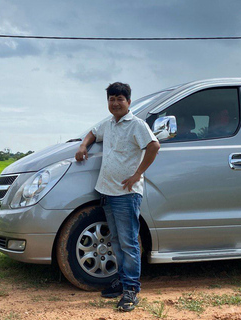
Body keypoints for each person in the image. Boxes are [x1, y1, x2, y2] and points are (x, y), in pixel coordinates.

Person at [75, 82, 160, 312]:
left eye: (120, 99)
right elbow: (93, 132)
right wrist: (83, 146)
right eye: (111, 99)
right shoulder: (109, 124)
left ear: (128, 101)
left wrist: (137, 174)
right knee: (115, 241)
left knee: (129, 242)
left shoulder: (137, 125)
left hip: (126, 194)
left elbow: (154, 146)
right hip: (107, 191)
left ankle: (131, 289)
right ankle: (122, 282)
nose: (115, 103)